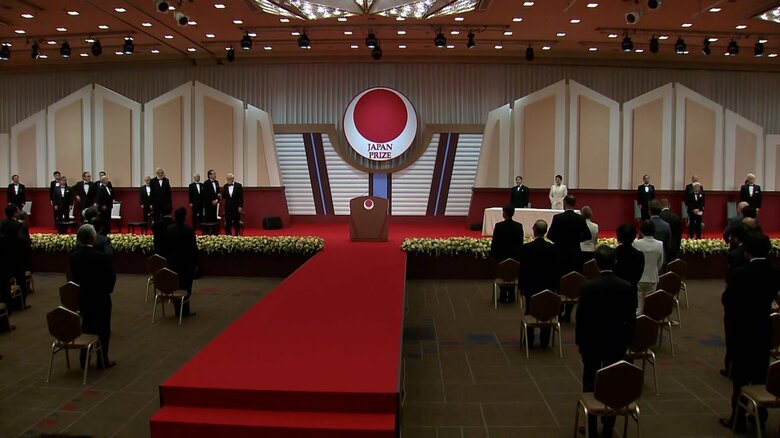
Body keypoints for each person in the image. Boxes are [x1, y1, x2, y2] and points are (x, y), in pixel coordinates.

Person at [720, 232, 780, 432]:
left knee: (740, 377)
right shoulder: (774, 272)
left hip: (743, 328)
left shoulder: (740, 273)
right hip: (763, 327)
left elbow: (728, 299)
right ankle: (760, 416)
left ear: (747, 251)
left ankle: (737, 419)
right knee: (760, 374)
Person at [575, 245, 636, 438]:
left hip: (591, 341)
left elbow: (582, 318)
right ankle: (609, 424)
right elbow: (631, 317)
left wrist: (579, 341)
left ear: (596, 263)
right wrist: (628, 340)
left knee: (590, 381)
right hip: (616, 341)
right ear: (615, 262)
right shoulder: (626, 287)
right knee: (613, 382)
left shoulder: (588, 287)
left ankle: (591, 425)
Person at [69, 224, 116, 369]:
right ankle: (103, 359)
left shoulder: (73, 257)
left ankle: (84, 359)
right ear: (93, 238)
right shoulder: (101, 257)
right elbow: (111, 276)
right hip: (101, 296)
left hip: (84, 296)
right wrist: (107, 290)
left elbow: (73, 277)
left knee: (87, 326)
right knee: (103, 329)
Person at [547, 195, 591, 322]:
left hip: (559, 254)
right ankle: (568, 312)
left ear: (565, 203)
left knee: (559, 283)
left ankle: (559, 311)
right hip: (575, 254)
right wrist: (575, 240)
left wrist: (560, 241)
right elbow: (587, 235)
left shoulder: (558, 218)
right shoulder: (580, 218)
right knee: (573, 283)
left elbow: (550, 235)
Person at [520, 220, 558, 347]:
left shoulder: (526, 248)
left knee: (530, 310)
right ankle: (545, 340)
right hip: (548, 286)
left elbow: (523, 269)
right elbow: (556, 270)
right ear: (546, 231)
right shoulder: (553, 249)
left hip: (531, 286)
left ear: (534, 230)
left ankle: (529, 340)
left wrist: (521, 287)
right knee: (547, 311)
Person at [166, 207, 197, 318]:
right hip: (186, 263)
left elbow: (166, 246)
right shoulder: (189, 231)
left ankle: (177, 310)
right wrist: (195, 263)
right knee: (186, 287)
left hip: (173, 262)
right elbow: (193, 249)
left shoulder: (169, 229)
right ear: (185, 217)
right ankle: (185, 310)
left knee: (175, 286)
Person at [490, 205, 524, 303]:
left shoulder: (499, 226)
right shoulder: (518, 226)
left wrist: (493, 256)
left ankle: (503, 294)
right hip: (515, 255)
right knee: (512, 273)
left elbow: (495, 243)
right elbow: (520, 242)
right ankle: (512, 294)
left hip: (502, 255)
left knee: (503, 274)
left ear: (504, 213)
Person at [632, 220, 664, 314]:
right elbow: (660, 262)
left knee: (638, 307)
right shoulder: (659, 244)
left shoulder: (636, 243)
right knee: (650, 305)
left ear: (641, 231)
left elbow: (633, 261)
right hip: (652, 277)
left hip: (638, 278)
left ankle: (638, 321)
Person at [613, 224, 644, 312]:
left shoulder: (613, 254)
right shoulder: (639, 255)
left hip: (615, 292)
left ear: (618, 237)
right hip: (631, 291)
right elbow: (638, 275)